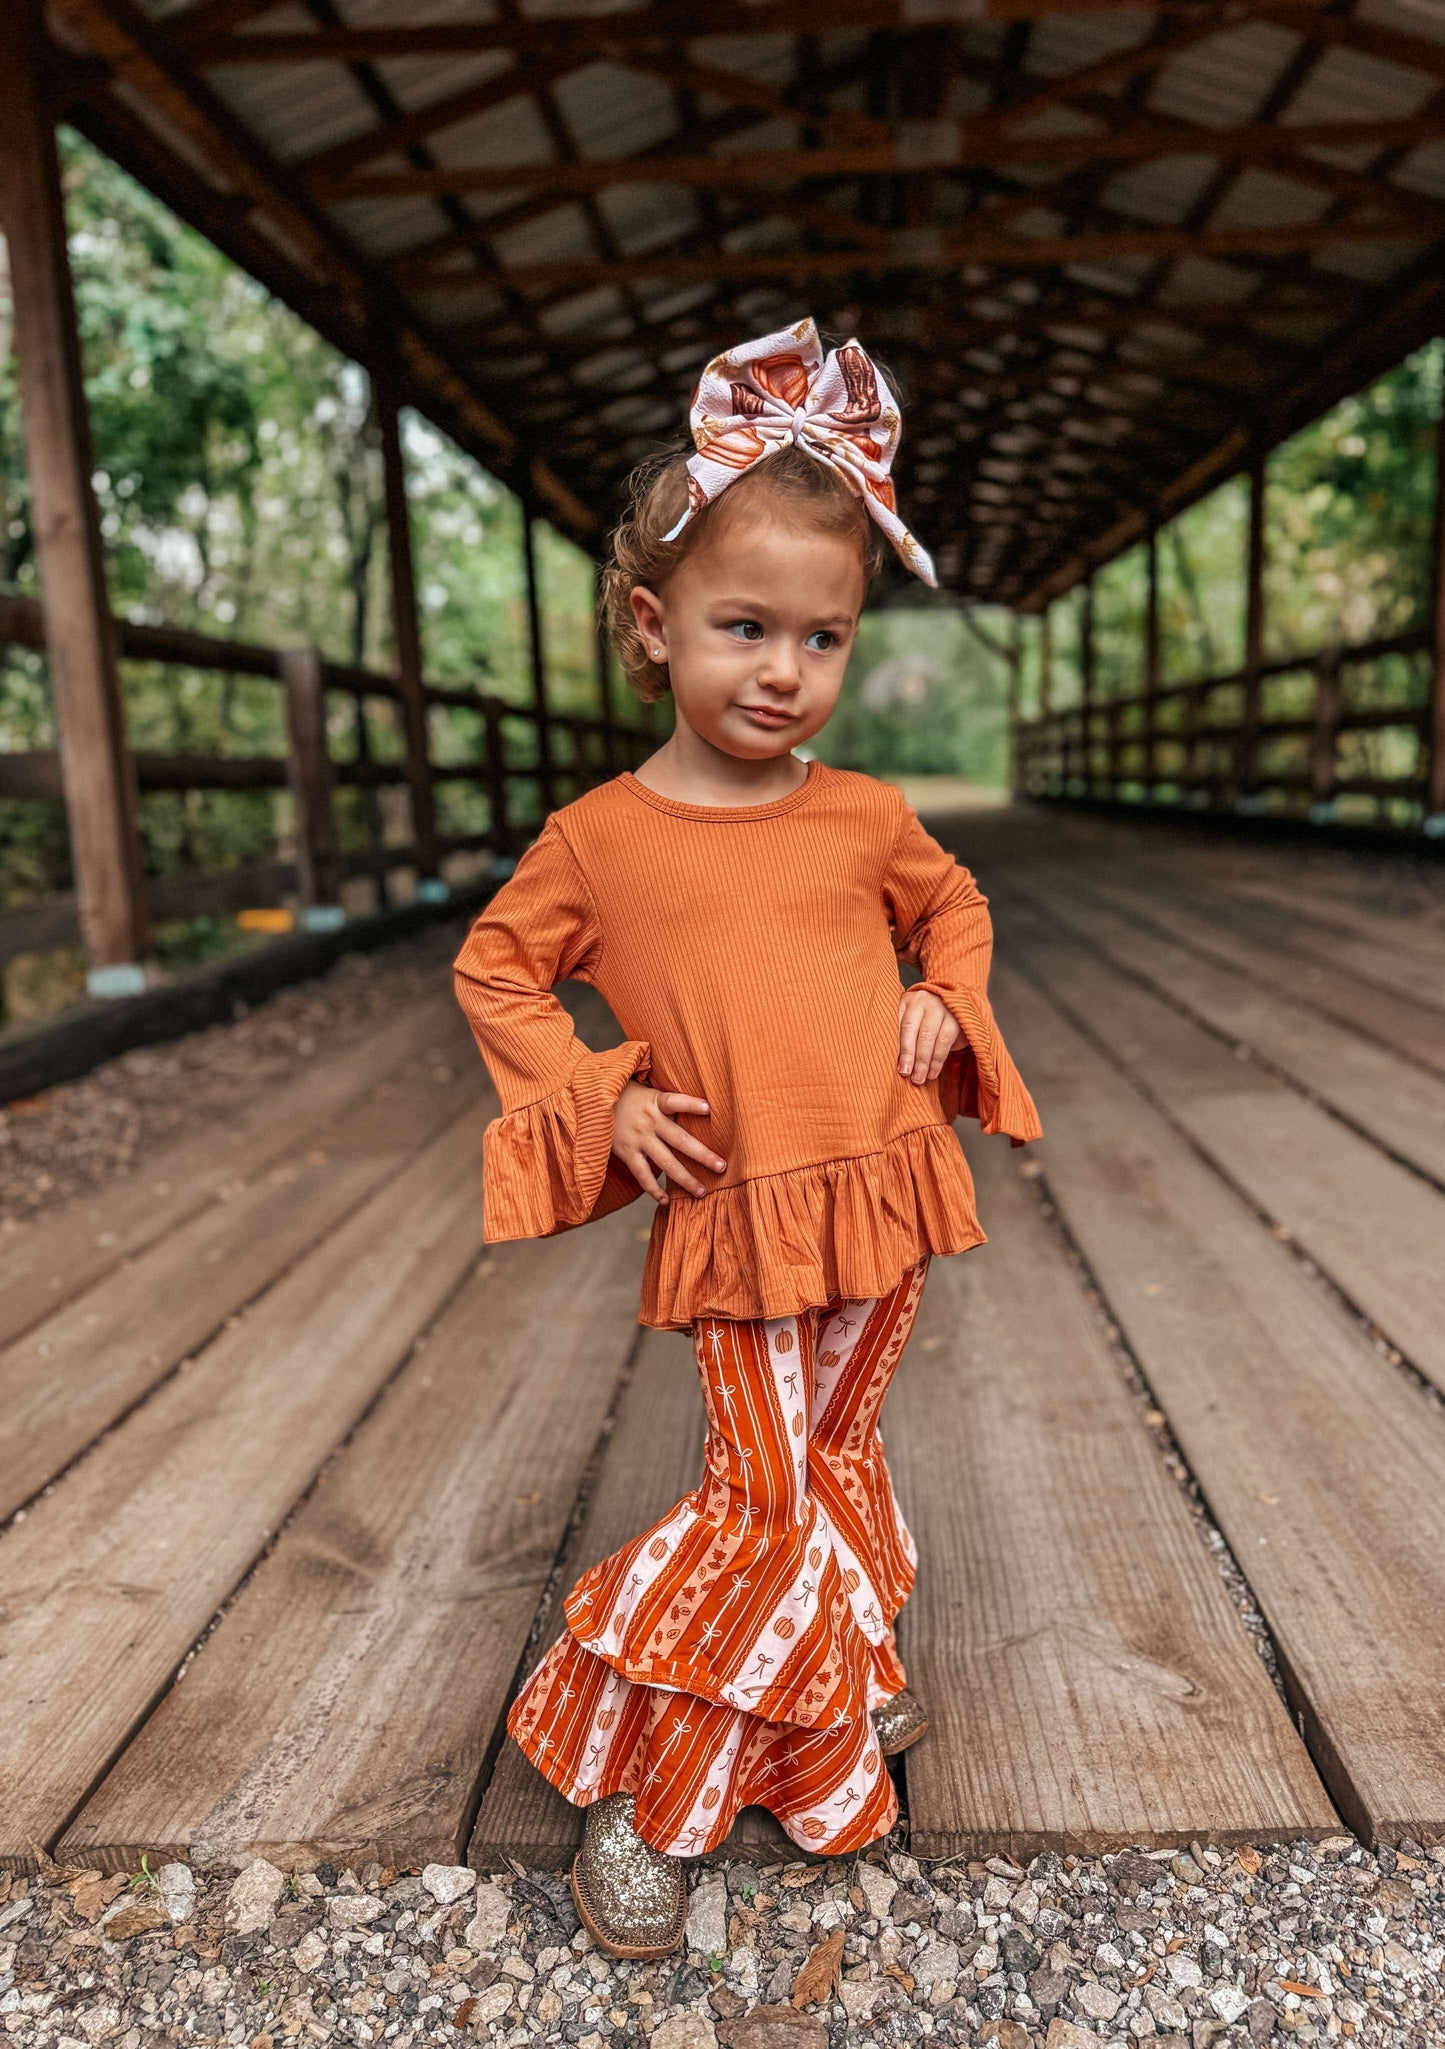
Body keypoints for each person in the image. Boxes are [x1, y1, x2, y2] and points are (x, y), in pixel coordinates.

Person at [452, 317, 1041, 1959]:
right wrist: (603, 1095)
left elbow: (955, 905)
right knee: (758, 1498)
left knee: (834, 1456)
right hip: (736, 1209)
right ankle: (645, 1794)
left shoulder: (861, 813)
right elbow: (495, 968)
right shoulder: (600, 840)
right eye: (743, 626)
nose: (784, 669)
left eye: (821, 636)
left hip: (883, 1192)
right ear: (655, 625)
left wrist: (947, 1000)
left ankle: (837, 1670)